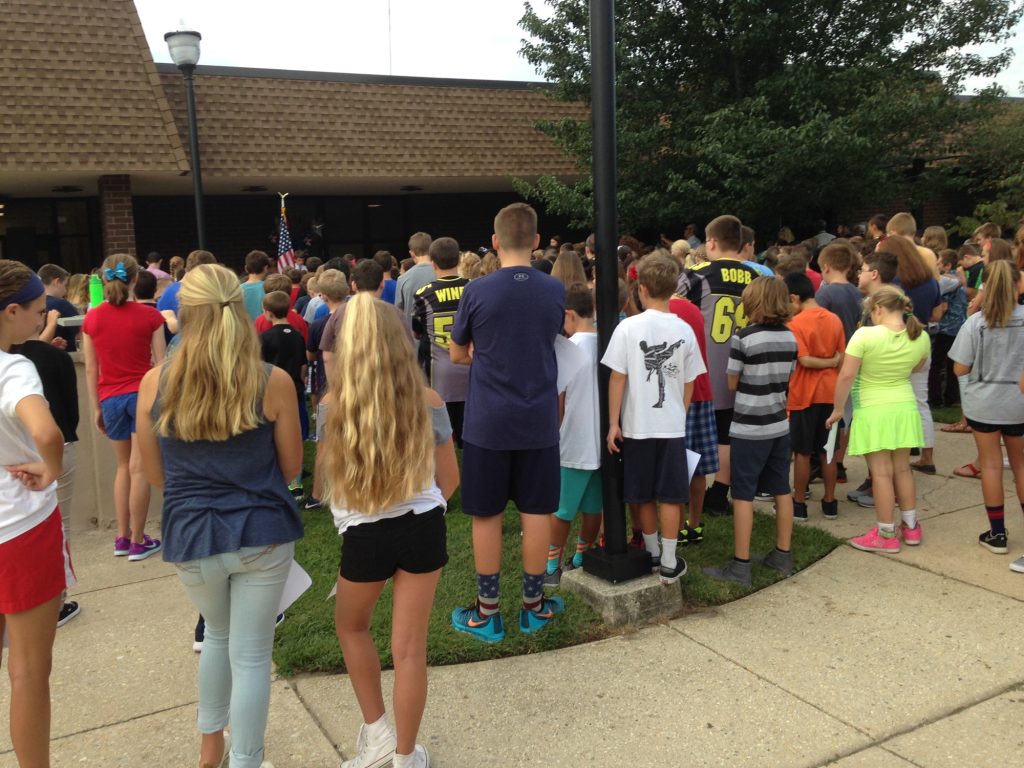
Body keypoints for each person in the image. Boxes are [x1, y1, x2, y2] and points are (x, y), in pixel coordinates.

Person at [136, 263, 303, 768]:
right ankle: (244, 761)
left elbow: (155, 473)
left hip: (191, 533)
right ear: (242, 306)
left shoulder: (154, 383)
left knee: (218, 637)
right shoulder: (272, 381)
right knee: (251, 655)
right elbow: (292, 466)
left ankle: (211, 751)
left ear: (184, 312)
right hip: (262, 533)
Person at [321, 294, 458, 768]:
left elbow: (327, 483)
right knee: (410, 650)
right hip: (423, 527)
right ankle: (404, 756)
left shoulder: (332, 405)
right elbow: (450, 479)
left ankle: (378, 736)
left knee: (351, 626)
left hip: (364, 534)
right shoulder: (430, 401)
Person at [448, 203, 565, 643]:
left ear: (495, 242)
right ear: (536, 241)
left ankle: (487, 612)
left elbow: (458, 352)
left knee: (487, 514)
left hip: (488, 422)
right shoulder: (555, 290)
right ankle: (533, 609)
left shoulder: (476, 291)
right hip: (537, 417)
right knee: (538, 512)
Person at [0, 260, 71, 768]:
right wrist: (50, 468)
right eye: (38, 310)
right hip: (20, 526)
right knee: (28, 671)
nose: (43, 318)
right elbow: (45, 433)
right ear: (10, 311)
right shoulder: (15, 368)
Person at [604, 254, 704, 583]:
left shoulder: (628, 327)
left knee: (643, 492)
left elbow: (617, 378)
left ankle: (653, 553)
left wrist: (614, 423)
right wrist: (682, 412)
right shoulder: (685, 329)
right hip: (671, 425)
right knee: (673, 493)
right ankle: (671, 561)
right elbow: (690, 382)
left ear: (642, 289)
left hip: (636, 425)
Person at [704, 277, 798, 587]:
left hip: (748, 427)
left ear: (752, 303)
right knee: (781, 489)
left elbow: (732, 382)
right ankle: (782, 554)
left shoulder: (743, 338)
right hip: (778, 425)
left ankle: (740, 565)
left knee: (743, 493)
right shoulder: (790, 337)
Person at [827, 286, 930, 552]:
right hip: (905, 408)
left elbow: (847, 375)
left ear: (878, 309)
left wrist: (838, 409)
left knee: (881, 473)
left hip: (873, 410)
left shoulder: (865, 335)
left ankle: (886, 534)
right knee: (903, 469)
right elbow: (917, 367)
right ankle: (911, 527)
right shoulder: (920, 337)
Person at [676, 215, 763, 515]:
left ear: (710, 242)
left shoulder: (697, 274)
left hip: (702, 370)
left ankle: (689, 490)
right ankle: (719, 494)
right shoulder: (756, 277)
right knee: (728, 434)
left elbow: (673, 310)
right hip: (742, 367)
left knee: (690, 433)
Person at [82, 254, 165, 560]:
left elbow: (92, 368)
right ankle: (138, 540)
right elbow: (160, 364)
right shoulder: (150, 317)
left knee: (122, 467)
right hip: (142, 395)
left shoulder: (92, 319)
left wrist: (96, 407)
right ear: (134, 280)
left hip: (110, 397)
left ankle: (121, 536)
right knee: (139, 468)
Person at [948, 261, 1024, 570]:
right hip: (1018, 403)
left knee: (990, 465)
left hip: (983, 403)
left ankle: (997, 534)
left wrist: (967, 400)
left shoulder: (976, 322)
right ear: (1019, 285)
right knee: (1020, 465)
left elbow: (960, 367)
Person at [13, 331, 81, 627]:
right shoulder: (24, 365)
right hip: (47, 458)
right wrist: (53, 467)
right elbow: (57, 422)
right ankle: (57, 602)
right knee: (58, 526)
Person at [545, 283, 602, 586]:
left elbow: (559, 399)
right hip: (602, 440)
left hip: (573, 440)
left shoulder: (568, 348)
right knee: (594, 506)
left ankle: (552, 565)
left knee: (562, 508)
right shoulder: (606, 342)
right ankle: (582, 555)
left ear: (569, 315)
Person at [784, 272, 845, 521]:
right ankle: (830, 501)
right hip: (830, 394)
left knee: (801, 451)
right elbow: (841, 357)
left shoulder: (795, 324)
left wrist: (827, 360)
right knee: (827, 451)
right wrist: (832, 362)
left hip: (803, 395)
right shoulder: (835, 320)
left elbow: (804, 359)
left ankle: (799, 503)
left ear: (794, 297)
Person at [668, 287, 718, 546]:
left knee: (676, 466)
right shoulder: (693, 310)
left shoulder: (668, 311)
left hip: (679, 395)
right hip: (703, 391)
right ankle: (694, 525)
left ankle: (674, 529)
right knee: (697, 468)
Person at [412, 237, 470, 448]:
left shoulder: (423, 294)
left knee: (439, 435)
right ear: (459, 260)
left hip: (439, 372)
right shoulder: (473, 288)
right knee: (469, 431)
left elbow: (417, 332)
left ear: (433, 263)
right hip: (471, 367)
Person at [816, 241, 863, 482]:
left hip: (830, 359)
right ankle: (840, 463)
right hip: (853, 357)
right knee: (846, 414)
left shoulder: (825, 293)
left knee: (828, 412)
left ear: (826, 267)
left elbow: (818, 323)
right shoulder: (858, 292)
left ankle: (825, 461)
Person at [260, 290, 309, 450]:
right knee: (297, 425)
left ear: (268, 313)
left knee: (277, 428)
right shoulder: (298, 336)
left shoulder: (265, 338)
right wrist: (303, 379)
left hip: (273, 389)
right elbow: (303, 364)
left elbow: (260, 365)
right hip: (296, 387)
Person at [37, 263, 80, 351]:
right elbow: (80, 332)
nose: (66, 290)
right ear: (56, 282)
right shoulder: (62, 304)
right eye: (65, 285)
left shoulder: (32, 305)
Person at [395, 232, 435, 321]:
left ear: (412, 253)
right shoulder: (440, 273)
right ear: (431, 249)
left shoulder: (402, 279)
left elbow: (398, 312)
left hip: (410, 332)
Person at [242, 250, 271, 321]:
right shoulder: (269, 288)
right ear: (265, 268)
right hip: (264, 329)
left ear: (246, 268)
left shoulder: (237, 290)